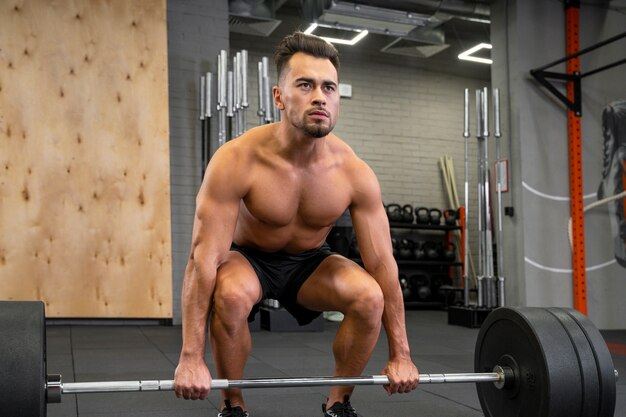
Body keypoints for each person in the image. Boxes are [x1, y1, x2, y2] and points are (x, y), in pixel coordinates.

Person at [174, 31, 419, 417]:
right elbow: (203, 259)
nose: (319, 96)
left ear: (338, 100)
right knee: (232, 295)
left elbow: (383, 264)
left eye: (329, 87)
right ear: (279, 97)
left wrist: (401, 354)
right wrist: (191, 357)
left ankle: (339, 403)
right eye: (305, 85)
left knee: (369, 296)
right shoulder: (237, 159)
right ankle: (232, 404)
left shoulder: (354, 172)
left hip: (310, 262)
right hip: (249, 258)